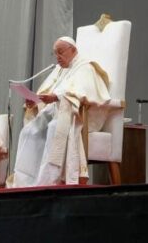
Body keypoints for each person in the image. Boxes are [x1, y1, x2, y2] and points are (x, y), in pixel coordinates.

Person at [12, 37, 111, 186]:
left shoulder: (85, 67)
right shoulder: (60, 69)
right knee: (29, 131)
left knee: (54, 127)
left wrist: (56, 97)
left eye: (60, 52)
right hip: (56, 111)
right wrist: (36, 101)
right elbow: (48, 92)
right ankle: (25, 182)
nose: (57, 57)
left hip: (77, 115)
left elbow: (82, 92)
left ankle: (48, 181)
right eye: (55, 53)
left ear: (73, 50)